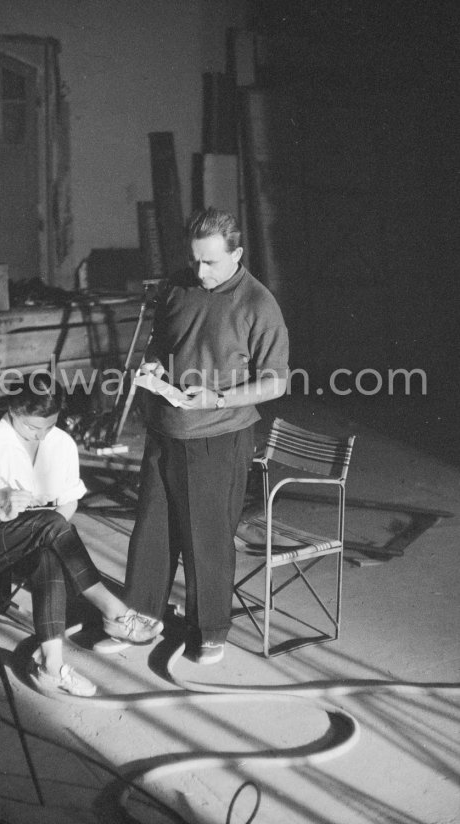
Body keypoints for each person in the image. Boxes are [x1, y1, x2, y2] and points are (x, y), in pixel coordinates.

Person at [113, 207, 289, 665]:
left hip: (218, 435)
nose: (200, 271)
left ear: (237, 254)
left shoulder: (257, 303)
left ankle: (210, 629)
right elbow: (160, 339)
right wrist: (152, 364)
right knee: (152, 528)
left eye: (210, 262)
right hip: (166, 428)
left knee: (205, 536)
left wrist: (216, 399)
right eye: (195, 260)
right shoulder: (178, 285)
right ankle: (141, 615)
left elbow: (276, 382)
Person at [0, 371, 163, 697]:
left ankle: (50, 666)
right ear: (13, 409)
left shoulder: (61, 442)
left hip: (38, 534)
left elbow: (69, 502)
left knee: (49, 554)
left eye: (48, 426)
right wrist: (1, 511)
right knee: (51, 527)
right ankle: (115, 612)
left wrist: (48, 530)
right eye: (31, 427)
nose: (40, 436)